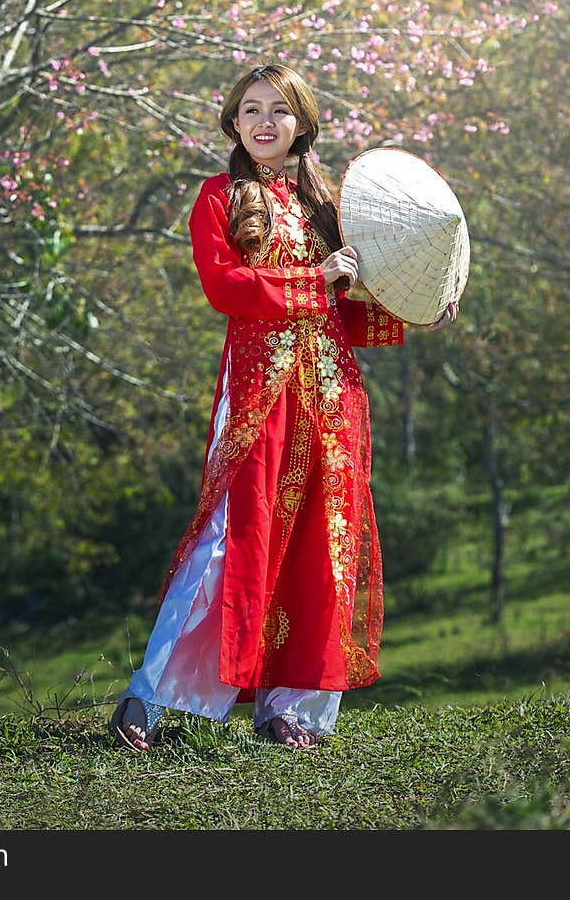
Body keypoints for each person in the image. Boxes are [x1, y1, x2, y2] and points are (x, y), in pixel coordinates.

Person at [109, 63, 458, 751]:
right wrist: (314, 277)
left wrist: (413, 315)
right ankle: (149, 700)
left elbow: (342, 315)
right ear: (233, 122)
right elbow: (228, 288)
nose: (263, 122)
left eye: (278, 109)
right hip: (258, 394)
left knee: (321, 547)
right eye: (249, 110)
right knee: (229, 543)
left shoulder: (327, 204)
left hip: (330, 403)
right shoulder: (219, 198)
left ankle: (289, 710)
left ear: (303, 121)